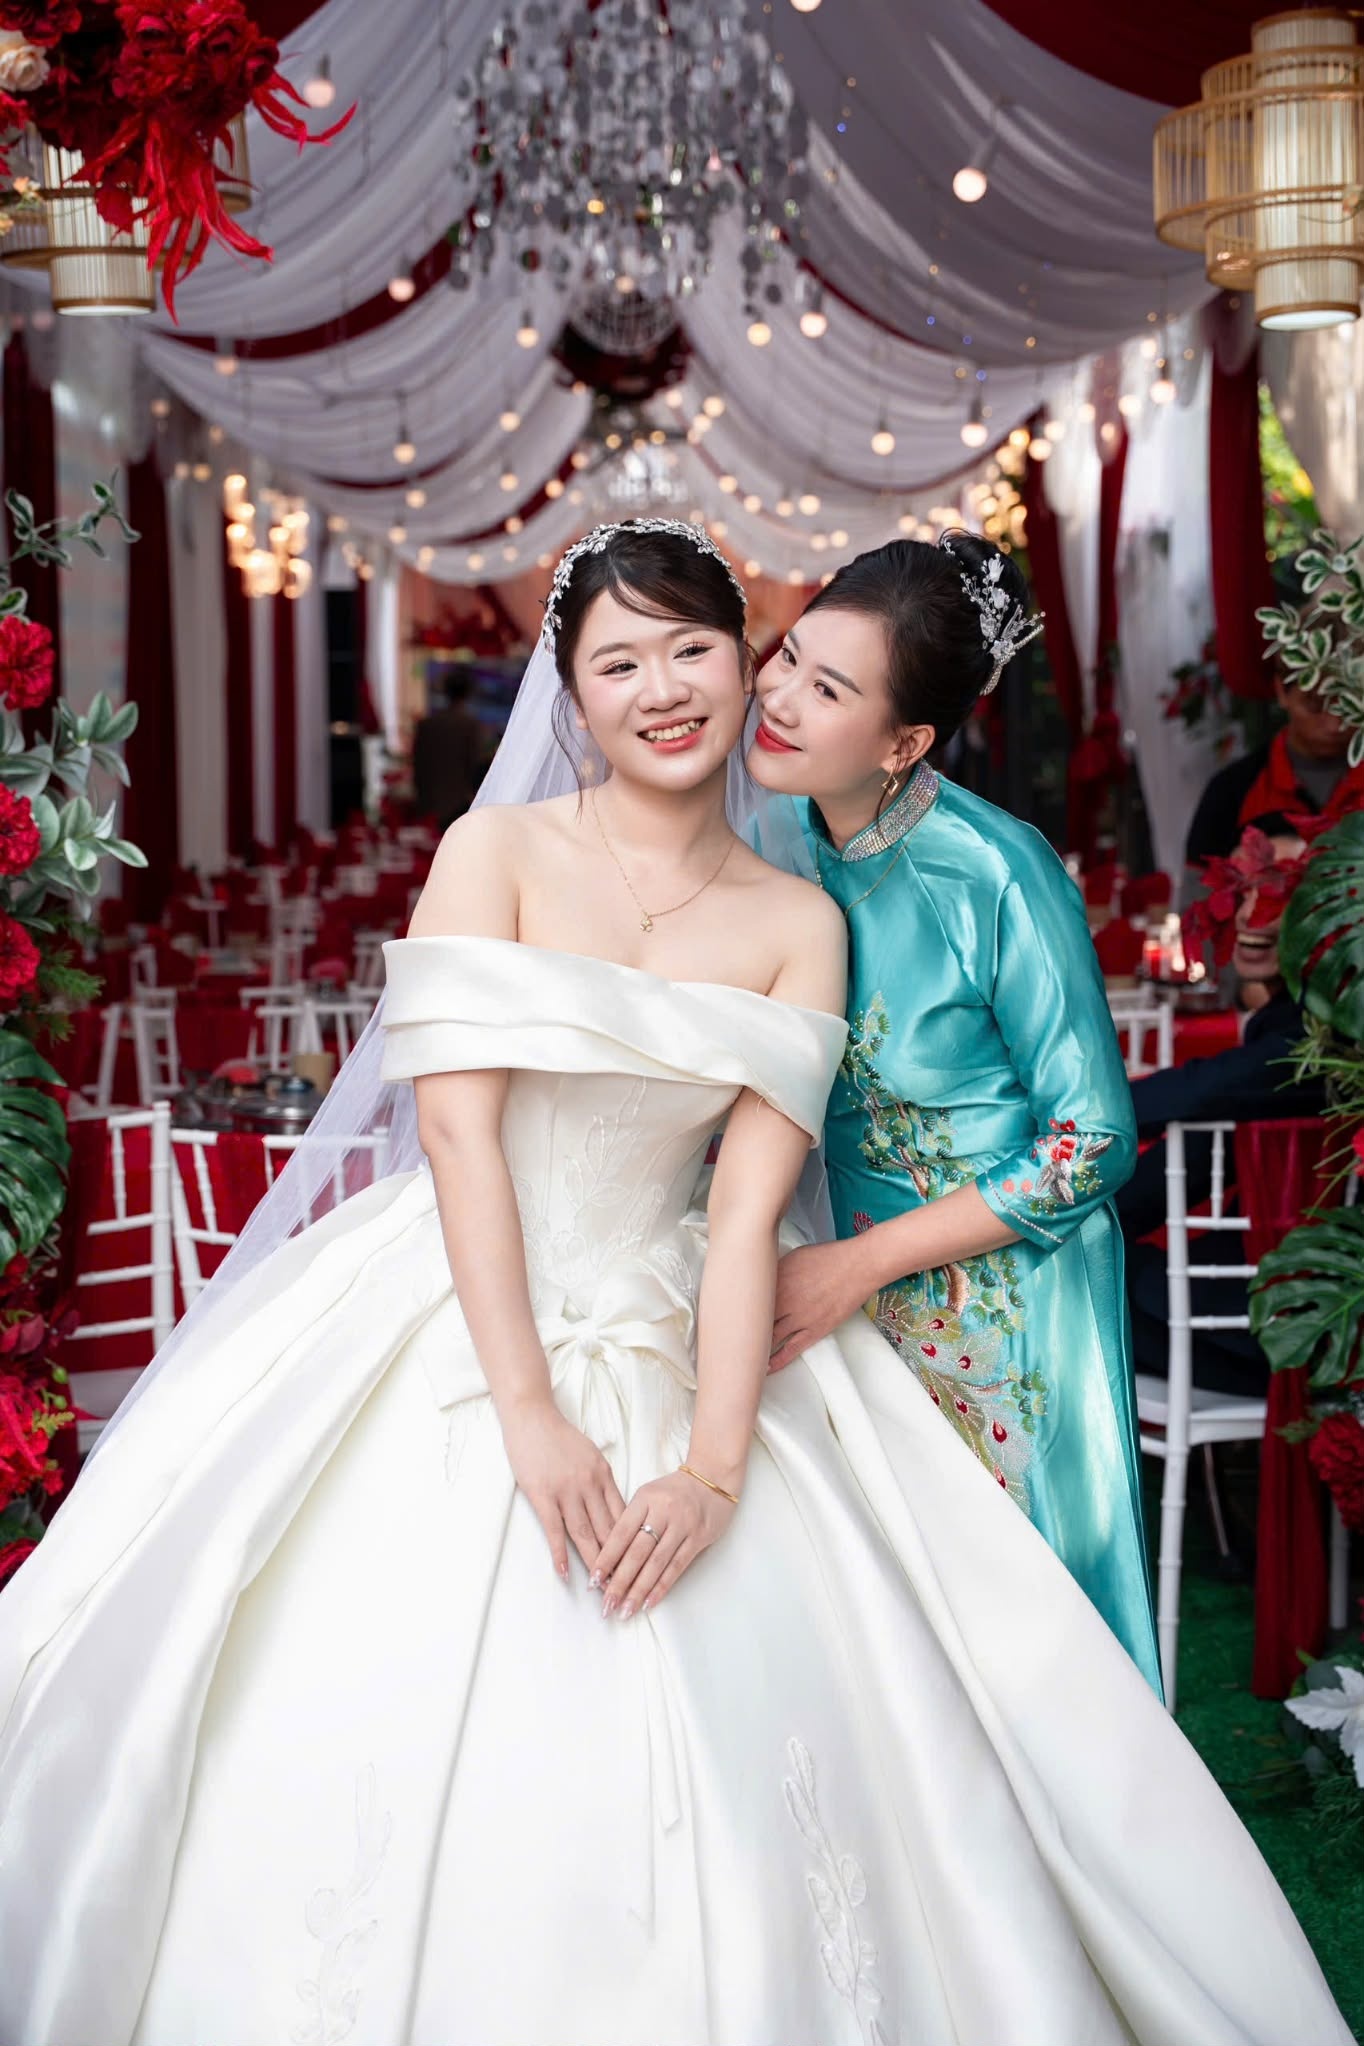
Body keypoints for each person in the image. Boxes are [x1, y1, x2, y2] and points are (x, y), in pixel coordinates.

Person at [0, 522, 1351, 2046]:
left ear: (771, 670)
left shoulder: (809, 907)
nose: (675, 689)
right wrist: (527, 1408)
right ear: (570, 695)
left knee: (929, 1663)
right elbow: (457, 1135)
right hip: (464, 1292)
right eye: (620, 661)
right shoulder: (502, 853)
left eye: (698, 649)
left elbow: (751, 1204)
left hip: (779, 1299)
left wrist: (712, 1469)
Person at [747, 532, 1160, 1693]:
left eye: (829, 689)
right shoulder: (776, 841)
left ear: (904, 742)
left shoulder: (994, 870)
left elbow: (1090, 1145)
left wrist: (858, 1264)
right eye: (789, 657)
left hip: (1006, 1296)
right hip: (838, 1279)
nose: (778, 697)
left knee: (1014, 1627)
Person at [1120, 816, 1325, 1398]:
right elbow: (1202, 1143)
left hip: (1291, 1322)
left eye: (1278, 890)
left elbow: (1204, 1091)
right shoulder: (1288, 1021)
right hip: (1262, 1295)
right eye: (1242, 889)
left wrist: (1074, 1121)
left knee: (1070, 1291)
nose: (1251, 912)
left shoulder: (1327, 1034)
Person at [1185, 669, 1364, 868]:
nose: (1334, 724)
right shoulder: (1232, 791)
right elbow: (1197, 884)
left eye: (1348, 705)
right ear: (1281, 691)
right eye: (1314, 704)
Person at [411, 671, 484, 828]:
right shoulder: (470, 726)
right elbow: (474, 765)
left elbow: (418, 765)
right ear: (469, 693)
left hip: (428, 803)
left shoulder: (427, 725)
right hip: (458, 806)